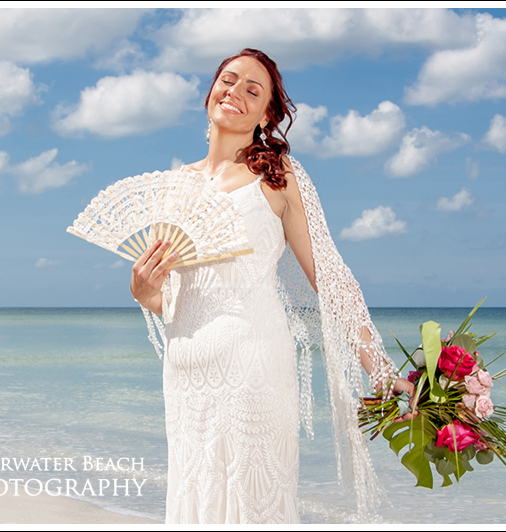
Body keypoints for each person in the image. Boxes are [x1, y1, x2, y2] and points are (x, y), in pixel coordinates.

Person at [130, 49, 416, 524]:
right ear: (209, 95)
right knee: (195, 503)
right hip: (186, 376)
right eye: (229, 80)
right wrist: (144, 293)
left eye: (253, 90)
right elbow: (176, 300)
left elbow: (330, 277)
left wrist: (381, 370)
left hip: (253, 366)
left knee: (252, 503)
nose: (235, 92)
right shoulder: (173, 186)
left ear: (267, 115)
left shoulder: (279, 179)